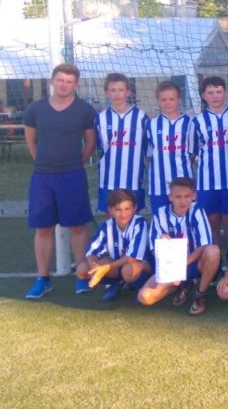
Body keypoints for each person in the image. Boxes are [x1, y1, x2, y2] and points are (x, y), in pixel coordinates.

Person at [24, 63, 98, 299]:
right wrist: (44, 162)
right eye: (60, 80)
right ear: (52, 81)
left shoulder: (85, 110)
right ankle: (43, 279)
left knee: (77, 226)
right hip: (43, 177)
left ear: (75, 85)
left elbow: (90, 143)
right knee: (43, 229)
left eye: (69, 81)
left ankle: (82, 275)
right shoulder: (35, 109)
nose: (64, 85)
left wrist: (74, 163)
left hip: (72, 175)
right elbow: (31, 140)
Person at [137, 177, 222, 316]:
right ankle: (182, 285)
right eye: (178, 197)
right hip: (170, 267)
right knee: (145, 297)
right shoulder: (160, 214)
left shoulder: (197, 211)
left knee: (213, 251)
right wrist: (161, 241)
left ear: (194, 196)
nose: (183, 201)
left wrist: (182, 265)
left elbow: (204, 245)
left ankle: (200, 295)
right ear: (170, 197)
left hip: (194, 263)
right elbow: (153, 246)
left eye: (187, 196)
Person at [192, 76, 228, 256]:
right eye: (210, 92)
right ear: (203, 96)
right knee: (211, 222)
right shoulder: (197, 121)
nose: (215, 96)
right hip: (207, 183)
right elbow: (193, 153)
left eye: (219, 91)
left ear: (225, 93)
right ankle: (216, 261)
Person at [76, 189, 152, 302]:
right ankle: (118, 283)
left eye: (127, 209)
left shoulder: (140, 223)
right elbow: (92, 252)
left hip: (141, 266)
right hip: (117, 266)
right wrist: (95, 268)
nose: (123, 214)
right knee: (82, 269)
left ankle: (140, 286)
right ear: (110, 210)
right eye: (118, 210)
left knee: (127, 271)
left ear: (134, 208)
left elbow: (132, 257)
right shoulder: (107, 226)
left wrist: (106, 267)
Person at [94, 72, 147, 214]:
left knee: (133, 217)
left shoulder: (141, 116)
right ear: (107, 93)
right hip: (108, 179)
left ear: (128, 92)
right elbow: (99, 146)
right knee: (111, 217)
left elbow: (146, 145)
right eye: (113, 90)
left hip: (133, 179)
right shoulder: (100, 118)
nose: (117, 94)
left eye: (121, 90)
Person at [146, 81, 193, 216]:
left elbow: (192, 153)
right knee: (161, 221)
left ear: (178, 100)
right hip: (158, 185)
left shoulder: (189, 123)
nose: (167, 103)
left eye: (171, 99)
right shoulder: (151, 124)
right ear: (158, 101)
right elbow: (150, 152)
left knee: (185, 221)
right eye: (163, 99)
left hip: (184, 184)